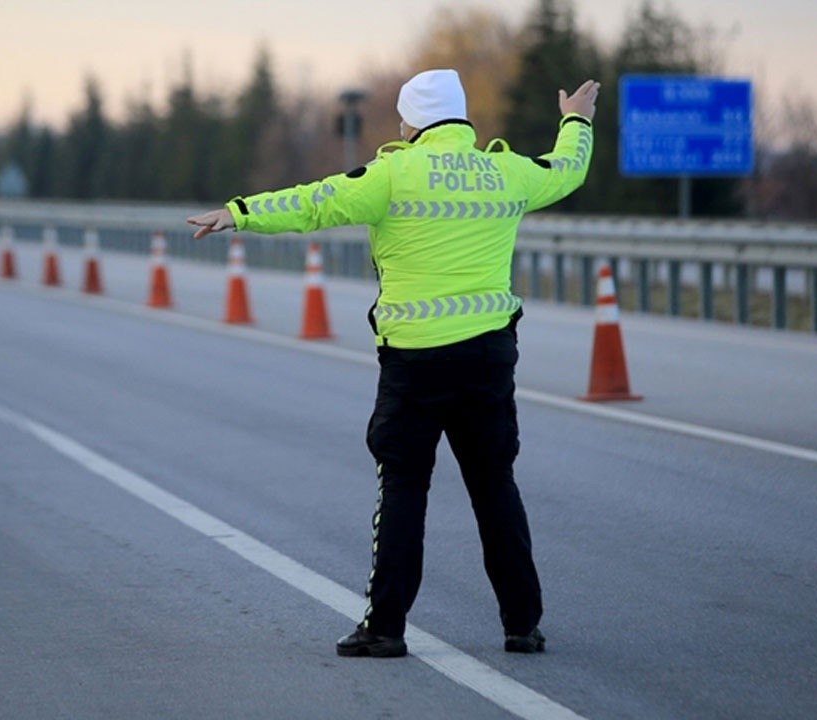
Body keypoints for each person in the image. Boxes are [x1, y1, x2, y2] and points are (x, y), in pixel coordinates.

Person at [187, 69, 598, 658]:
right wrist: (575, 121)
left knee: (405, 487)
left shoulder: (392, 173)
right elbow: (567, 170)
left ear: (412, 121)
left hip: (415, 362)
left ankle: (385, 628)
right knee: (493, 485)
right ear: (459, 117)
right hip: (487, 355)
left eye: (403, 117)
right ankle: (521, 624)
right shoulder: (504, 170)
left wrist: (240, 212)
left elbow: (315, 202)